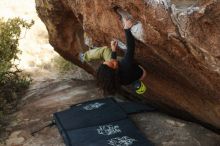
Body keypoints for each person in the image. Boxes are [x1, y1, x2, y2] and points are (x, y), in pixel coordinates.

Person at [80, 19, 146, 95]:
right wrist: (127, 29)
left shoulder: (114, 79)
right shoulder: (125, 65)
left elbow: (112, 63)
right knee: (105, 50)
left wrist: (114, 50)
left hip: (127, 78)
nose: (109, 60)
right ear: (115, 68)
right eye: (111, 63)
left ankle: (85, 57)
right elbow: (130, 48)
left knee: (111, 56)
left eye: (105, 62)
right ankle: (85, 56)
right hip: (141, 72)